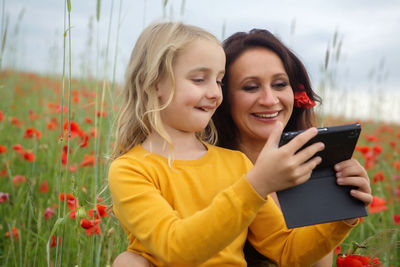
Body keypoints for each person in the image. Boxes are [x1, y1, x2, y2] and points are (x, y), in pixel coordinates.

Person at [109, 22, 372, 267]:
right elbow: (176, 248)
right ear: (154, 83)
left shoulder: (235, 164)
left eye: (219, 80)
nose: (214, 93)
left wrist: (342, 215)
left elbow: (286, 250)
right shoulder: (131, 169)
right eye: (199, 79)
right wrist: (257, 185)